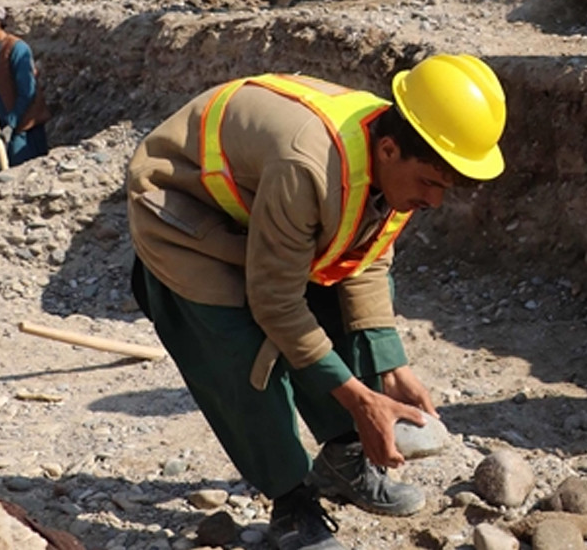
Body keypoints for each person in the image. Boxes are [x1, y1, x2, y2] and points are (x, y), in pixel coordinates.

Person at [126, 54, 507, 550]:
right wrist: (360, 398)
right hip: (184, 214)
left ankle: (343, 459)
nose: (435, 202)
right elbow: (275, 302)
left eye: (444, 188)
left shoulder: (392, 160)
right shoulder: (310, 166)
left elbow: (365, 261)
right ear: (390, 150)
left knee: (347, 317)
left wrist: (391, 367)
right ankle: (291, 499)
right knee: (239, 349)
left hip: (264, 212)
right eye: (430, 184)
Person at [0, 4, 51, 178]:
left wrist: (12, 124)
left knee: (21, 176)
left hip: (20, 130)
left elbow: (27, 92)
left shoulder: (17, 49)